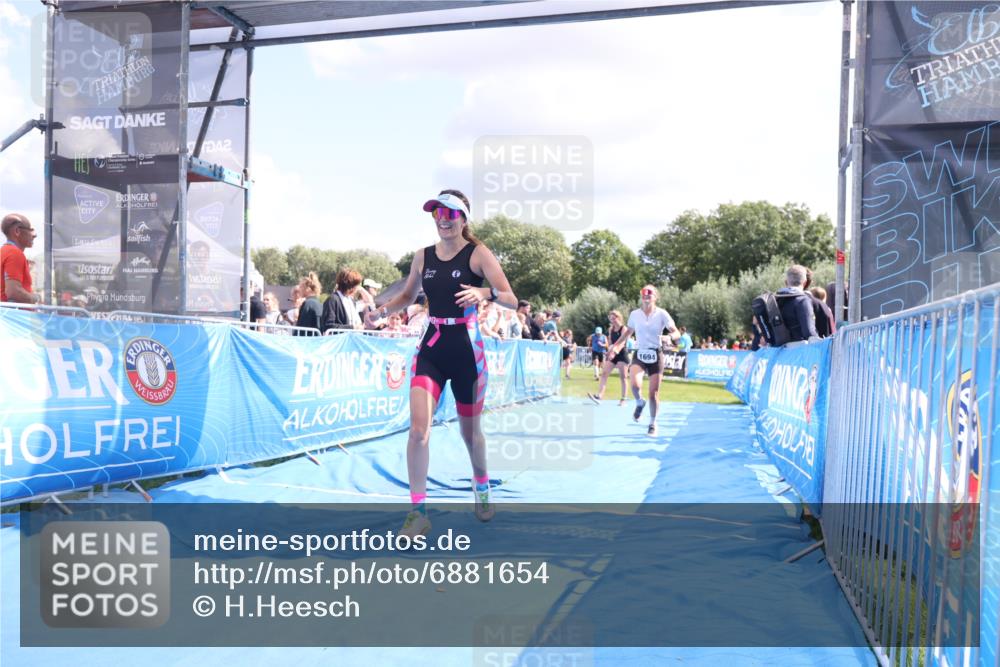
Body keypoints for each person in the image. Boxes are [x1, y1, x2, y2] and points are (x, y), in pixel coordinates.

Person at [364, 189, 516, 537]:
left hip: (467, 352)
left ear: (463, 218)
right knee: (418, 431)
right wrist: (381, 312)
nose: (443, 220)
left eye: (450, 214)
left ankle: (481, 484)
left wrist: (484, 293)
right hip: (432, 348)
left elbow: (511, 298)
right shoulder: (423, 256)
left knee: (470, 433)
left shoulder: (478, 254)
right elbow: (407, 295)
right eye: (437, 214)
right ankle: (418, 513)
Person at [607, 285, 679, 437]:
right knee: (634, 385)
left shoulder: (662, 314)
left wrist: (670, 337)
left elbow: (676, 332)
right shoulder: (634, 314)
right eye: (643, 293)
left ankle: (652, 423)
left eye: (649, 293)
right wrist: (616, 347)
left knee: (653, 393)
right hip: (640, 353)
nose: (646, 295)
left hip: (656, 354)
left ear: (655, 297)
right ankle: (639, 402)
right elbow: (627, 333)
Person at [588, 310, 631, 406]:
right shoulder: (611, 329)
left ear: (618, 318)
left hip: (622, 354)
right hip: (612, 354)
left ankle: (623, 399)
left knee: (623, 377)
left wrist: (614, 352)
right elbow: (611, 342)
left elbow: (622, 343)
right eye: (610, 319)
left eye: (613, 318)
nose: (612, 320)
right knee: (604, 373)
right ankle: (599, 396)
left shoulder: (624, 328)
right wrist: (608, 352)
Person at [1, 214, 40, 304]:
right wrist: (35, 298)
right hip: (13, 312)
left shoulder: (4, 251)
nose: (34, 235)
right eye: (30, 230)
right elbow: (14, 292)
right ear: (17, 231)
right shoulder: (14, 253)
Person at [776, 265, 819, 343]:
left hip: (778, 348)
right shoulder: (803, 300)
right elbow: (809, 332)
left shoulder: (776, 299)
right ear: (805, 282)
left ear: (786, 282)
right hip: (798, 348)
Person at [321, 268, 364, 333]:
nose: (357, 288)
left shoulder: (351, 301)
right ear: (350, 285)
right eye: (356, 285)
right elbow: (328, 326)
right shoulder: (332, 300)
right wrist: (352, 328)